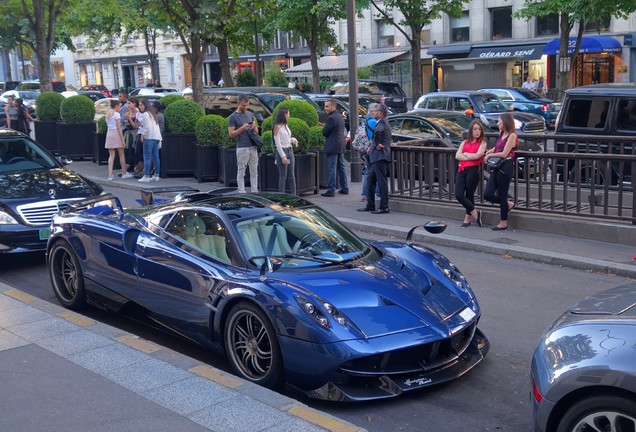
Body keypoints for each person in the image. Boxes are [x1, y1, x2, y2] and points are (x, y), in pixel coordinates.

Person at [483, 112, 518, 230]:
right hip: (497, 166)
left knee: (502, 194)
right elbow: (499, 146)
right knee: (487, 194)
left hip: (506, 165)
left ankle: (503, 222)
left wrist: (490, 155)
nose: (497, 123)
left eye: (499, 121)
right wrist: (490, 150)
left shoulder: (512, 136)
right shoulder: (501, 133)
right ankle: (508, 205)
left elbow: (504, 153)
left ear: (505, 122)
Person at [358, 103, 391, 214]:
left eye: (376, 111)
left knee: (381, 181)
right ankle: (370, 204)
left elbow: (377, 131)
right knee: (370, 179)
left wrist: (376, 143)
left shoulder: (382, 121)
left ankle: (384, 207)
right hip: (378, 156)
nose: (374, 113)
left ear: (380, 113)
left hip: (380, 155)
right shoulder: (381, 121)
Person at [455, 119, 487, 227]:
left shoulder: (482, 143)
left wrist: (466, 154)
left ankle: (467, 219)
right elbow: (457, 156)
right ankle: (475, 213)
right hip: (461, 170)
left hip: (473, 171)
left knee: (469, 195)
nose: (477, 131)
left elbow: (478, 156)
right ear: (471, 130)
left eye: (479, 129)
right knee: (459, 194)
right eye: (475, 129)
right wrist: (469, 156)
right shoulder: (464, 142)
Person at [228, 96, 259, 193]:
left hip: (252, 146)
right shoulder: (233, 117)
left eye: (247, 105)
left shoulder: (250, 114)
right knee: (241, 171)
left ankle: (254, 191)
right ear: (238, 104)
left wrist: (254, 127)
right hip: (242, 147)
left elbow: (256, 132)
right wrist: (242, 128)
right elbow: (231, 134)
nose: (245, 107)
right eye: (243, 105)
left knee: (254, 171)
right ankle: (241, 191)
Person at [321, 99, 348, 197]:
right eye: (325, 106)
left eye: (327, 106)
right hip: (340, 144)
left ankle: (331, 190)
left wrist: (324, 127)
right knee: (341, 167)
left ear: (333, 106)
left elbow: (324, 132)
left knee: (332, 168)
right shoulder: (340, 116)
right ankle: (344, 188)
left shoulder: (331, 118)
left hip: (333, 145)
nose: (325, 108)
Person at [104, 100, 133, 181]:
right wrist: (122, 139)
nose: (120, 107)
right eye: (119, 106)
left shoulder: (108, 114)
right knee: (121, 154)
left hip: (109, 133)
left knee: (111, 155)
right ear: (116, 106)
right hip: (116, 134)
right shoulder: (116, 114)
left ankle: (110, 175)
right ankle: (124, 172)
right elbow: (119, 128)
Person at [272, 107, 298, 194]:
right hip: (282, 151)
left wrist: (292, 140)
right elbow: (277, 143)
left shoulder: (285, 126)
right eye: (288, 114)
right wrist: (283, 156)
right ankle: (282, 196)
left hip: (290, 150)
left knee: (291, 175)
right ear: (285, 115)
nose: (289, 115)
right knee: (283, 176)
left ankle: (294, 195)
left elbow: (286, 139)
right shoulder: (277, 127)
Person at [138, 102, 162, 182]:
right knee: (156, 157)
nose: (139, 107)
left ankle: (146, 176)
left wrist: (143, 135)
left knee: (147, 157)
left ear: (145, 106)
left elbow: (147, 127)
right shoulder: (153, 114)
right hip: (156, 137)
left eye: (141, 105)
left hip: (149, 137)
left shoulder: (146, 114)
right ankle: (156, 175)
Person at [360, 104, 379, 202]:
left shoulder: (366, 121)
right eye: (377, 111)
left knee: (368, 171)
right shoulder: (373, 122)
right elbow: (374, 137)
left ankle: (364, 193)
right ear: (373, 112)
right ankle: (376, 193)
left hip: (367, 149)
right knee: (375, 171)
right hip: (372, 150)